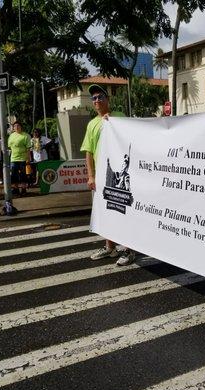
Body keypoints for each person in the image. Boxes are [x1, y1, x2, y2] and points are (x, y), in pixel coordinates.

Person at [80, 84, 135, 266]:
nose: (97, 101)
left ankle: (128, 249)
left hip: (119, 174)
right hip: (102, 177)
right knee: (105, 213)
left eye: (100, 97)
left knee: (122, 210)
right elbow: (88, 151)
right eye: (94, 98)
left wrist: (113, 122)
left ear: (107, 99)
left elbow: (131, 138)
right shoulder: (91, 124)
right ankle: (110, 247)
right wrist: (91, 176)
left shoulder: (118, 117)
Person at [7, 121, 31, 196]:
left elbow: (28, 149)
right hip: (13, 158)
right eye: (15, 126)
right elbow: (9, 147)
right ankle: (15, 189)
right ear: (13, 128)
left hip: (23, 159)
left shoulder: (26, 136)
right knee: (14, 175)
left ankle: (23, 189)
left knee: (23, 175)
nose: (16, 127)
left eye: (18, 126)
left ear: (21, 127)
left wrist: (28, 159)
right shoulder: (11, 136)